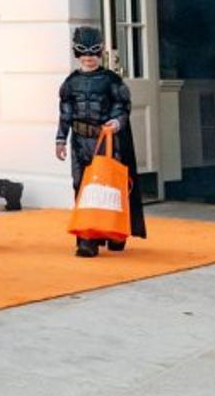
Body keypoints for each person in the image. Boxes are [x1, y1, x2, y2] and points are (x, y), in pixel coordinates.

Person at [55, 27, 147, 257]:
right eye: (84, 52)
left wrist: (117, 122)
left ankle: (113, 230)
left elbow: (122, 107)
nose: (89, 57)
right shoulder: (70, 83)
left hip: (106, 142)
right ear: (76, 52)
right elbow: (65, 113)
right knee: (81, 187)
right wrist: (60, 139)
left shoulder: (112, 81)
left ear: (101, 52)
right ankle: (87, 239)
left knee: (109, 188)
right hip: (79, 142)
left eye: (94, 52)